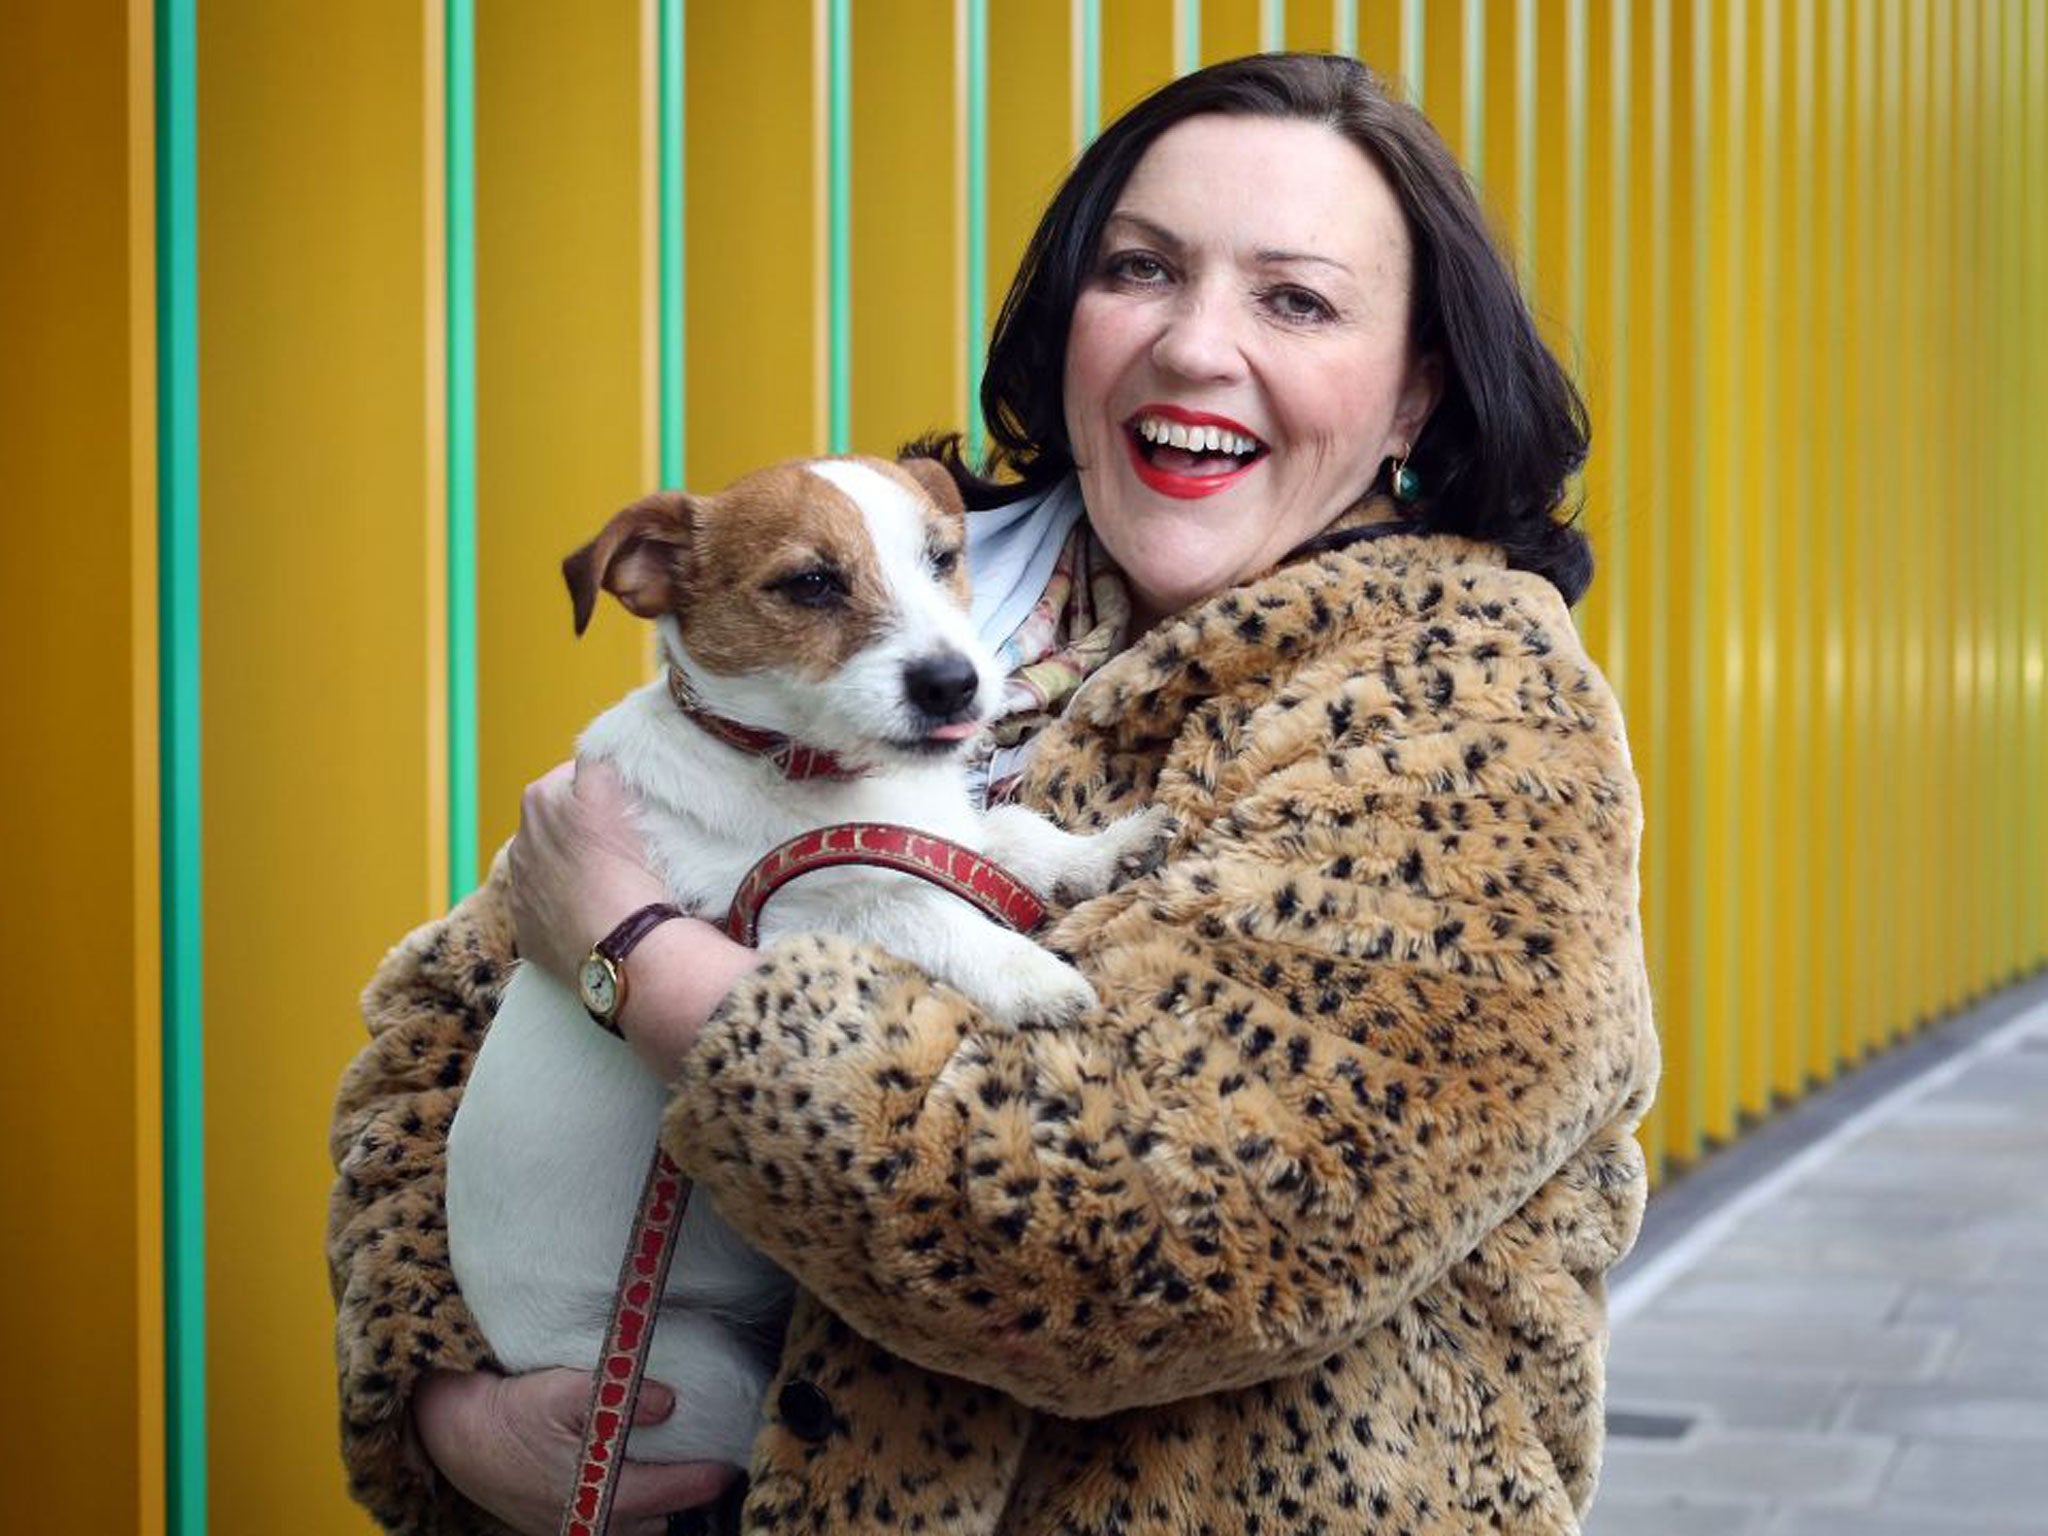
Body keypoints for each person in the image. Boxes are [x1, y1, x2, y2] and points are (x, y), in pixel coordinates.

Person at [329, 52, 1657, 1536]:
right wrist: (450, 1405)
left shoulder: (1468, 721)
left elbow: (1155, 1246)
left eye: (1295, 298)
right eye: (1141, 269)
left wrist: (650, 968)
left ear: (1417, 393)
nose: (1195, 344)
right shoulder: (920, 585)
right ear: (1067, 319)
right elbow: (433, 1048)